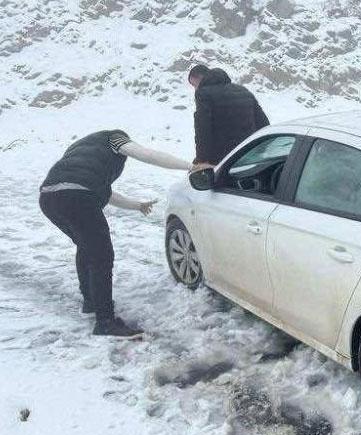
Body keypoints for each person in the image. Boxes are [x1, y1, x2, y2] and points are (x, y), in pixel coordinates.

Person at [39, 130, 191, 338]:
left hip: (48, 198)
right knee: (101, 256)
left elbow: (101, 191)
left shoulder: (77, 151)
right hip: (77, 197)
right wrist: (191, 166)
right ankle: (105, 322)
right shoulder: (114, 137)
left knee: (87, 247)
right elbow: (147, 155)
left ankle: (91, 302)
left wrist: (137, 206)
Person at [188, 65, 270, 166]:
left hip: (224, 160)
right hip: (249, 155)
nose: (195, 89)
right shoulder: (243, 90)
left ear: (200, 78)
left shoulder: (203, 93)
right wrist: (261, 151)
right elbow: (264, 123)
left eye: (194, 85)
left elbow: (203, 129)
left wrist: (202, 160)